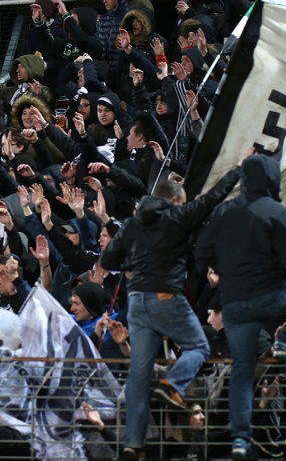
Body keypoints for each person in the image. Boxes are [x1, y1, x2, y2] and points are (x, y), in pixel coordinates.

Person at [100, 152, 245, 461]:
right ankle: (173, 385)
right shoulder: (177, 215)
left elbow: (108, 260)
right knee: (199, 346)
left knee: (138, 375)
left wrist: (135, 263)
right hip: (166, 296)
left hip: (136, 301)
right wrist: (237, 170)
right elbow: (211, 199)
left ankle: (132, 445)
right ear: (176, 199)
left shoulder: (132, 223)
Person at [195, 154, 286, 460]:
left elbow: (201, 250)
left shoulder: (225, 210)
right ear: (271, 179)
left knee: (242, 370)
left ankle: (241, 439)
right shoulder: (276, 210)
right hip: (271, 296)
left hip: (234, 305)